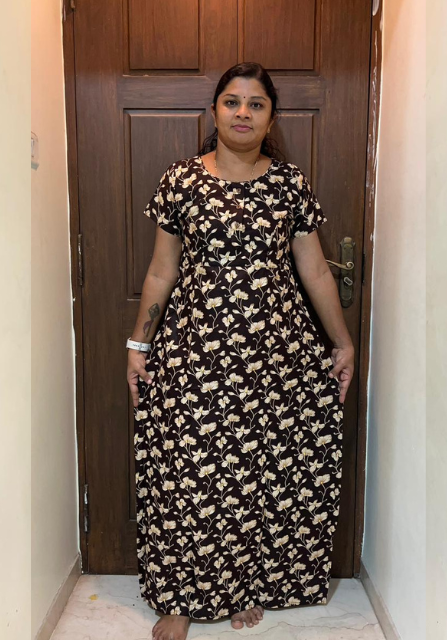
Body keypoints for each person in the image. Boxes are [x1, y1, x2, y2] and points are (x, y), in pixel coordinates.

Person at [127, 62, 354, 640]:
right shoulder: (181, 180)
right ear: (215, 111)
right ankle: (181, 597)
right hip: (194, 356)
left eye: (256, 104)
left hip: (276, 358)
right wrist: (137, 344)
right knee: (188, 473)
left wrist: (342, 342)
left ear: (271, 118)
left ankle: (245, 587)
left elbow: (315, 272)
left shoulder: (290, 184)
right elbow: (161, 272)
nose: (243, 113)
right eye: (232, 102)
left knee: (261, 473)